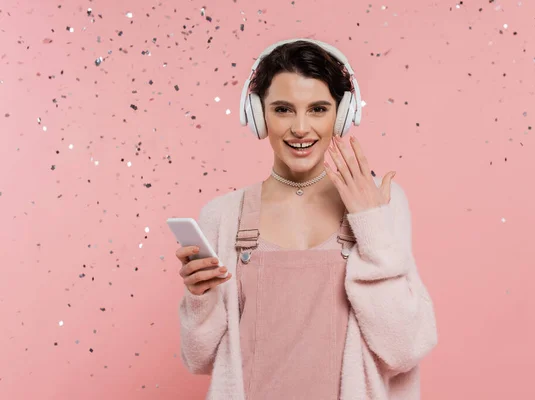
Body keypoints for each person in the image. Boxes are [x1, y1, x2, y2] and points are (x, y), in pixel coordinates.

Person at [176, 38, 438, 400]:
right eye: (283, 109)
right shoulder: (222, 216)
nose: (301, 127)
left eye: (318, 109)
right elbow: (199, 358)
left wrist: (370, 223)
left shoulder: (380, 203)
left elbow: (404, 348)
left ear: (342, 115)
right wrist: (200, 298)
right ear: (257, 115)